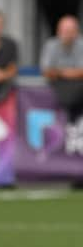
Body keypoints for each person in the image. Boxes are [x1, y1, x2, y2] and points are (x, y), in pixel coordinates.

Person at [40, 15, 83, 189]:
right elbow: (47, 71)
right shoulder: (51, 46)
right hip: (58, 93)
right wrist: (70, 74)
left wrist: (60, 73)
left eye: (71, 31)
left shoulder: (81, 46)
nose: (68, 35)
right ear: (58, 32)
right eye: (65, 31)